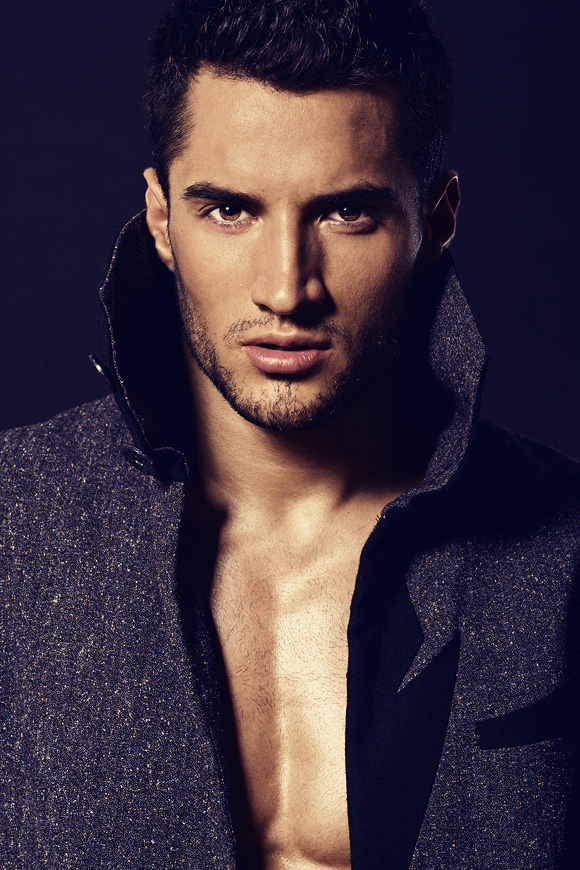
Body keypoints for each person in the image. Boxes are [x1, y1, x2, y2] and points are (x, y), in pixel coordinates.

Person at [1, 0, 578, 868]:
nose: (286, 288)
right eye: (229, 210)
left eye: (346, 213)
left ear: (438, 219)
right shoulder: (14, 526)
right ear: (160, 218)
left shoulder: (562, 548)